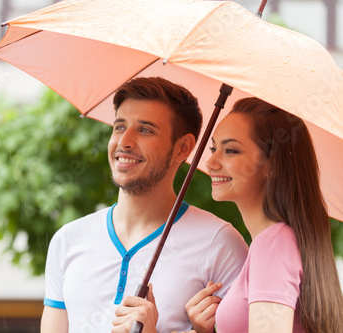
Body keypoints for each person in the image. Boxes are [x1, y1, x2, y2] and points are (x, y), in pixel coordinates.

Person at [41, 77, 248, 333]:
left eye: (145, 130)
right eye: (119, 127)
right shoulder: (67, 240)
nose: (124, 142)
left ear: (183, 148)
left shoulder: (221, 244)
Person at [118, 97, 343, 333]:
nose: (211, 161)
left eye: (231, 150)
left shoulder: (273, 243)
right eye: (214, 148)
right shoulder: (276, 241)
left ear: (272, 165)